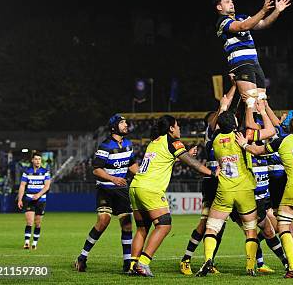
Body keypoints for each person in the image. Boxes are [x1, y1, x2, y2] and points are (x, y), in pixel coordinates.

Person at [195, 102, 276, 277]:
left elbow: (216, 125)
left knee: (212, 228)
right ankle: (250, 266)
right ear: (234, 122)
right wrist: (254, 108)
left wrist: (223, 108)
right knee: (251, 230)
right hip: (245, 189)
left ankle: (208, 259)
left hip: (224, 189)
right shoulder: (242, 136)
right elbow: (270, 131)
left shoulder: (214, 141)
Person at [130, 115, 216, 277]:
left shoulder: (154, 142)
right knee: (164, 225)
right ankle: (143, 263)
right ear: (171, 128)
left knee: (142, 228)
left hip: (136, 186)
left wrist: (185, 154)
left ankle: (132, 264)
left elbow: (164, 160)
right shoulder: (173, 142)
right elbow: (193, 164)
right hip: (150, 188)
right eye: (177, 126)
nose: (179, 129)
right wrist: (212, 173)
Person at [237, 115, 293, 278]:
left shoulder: (283, 140)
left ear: (289, 128)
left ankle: (292, 267)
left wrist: (244, 144)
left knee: (283, 225)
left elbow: (258, 151)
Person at [180, 83, 237, 275]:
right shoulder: (211, 133)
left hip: (228, 183)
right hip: (212, 182)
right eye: (215, 117)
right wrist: (235, 86)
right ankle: (186, 259)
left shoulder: (228, 134)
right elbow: (223, 108)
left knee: (219, 226)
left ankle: (209, 261)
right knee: (205, 222)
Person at [75, 115, 138, 273]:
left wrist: (145, 176)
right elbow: (96, 169)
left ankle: (127, 263)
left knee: (127, 225)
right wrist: (113, 179)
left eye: (125, 122)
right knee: (103, 222)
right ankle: (82, 257)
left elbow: (132, 166)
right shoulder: (105, 146)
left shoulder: (129, 144)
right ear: (114, 128)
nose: (126, 125)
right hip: (105, 189)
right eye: (122, 123)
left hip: (121, 190)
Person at [214, 0, 291, 104]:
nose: (231, 3)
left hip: (255, 64)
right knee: (251, 104)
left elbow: (264, 23)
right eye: (227, 2)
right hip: (241, 64)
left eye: (232, 1)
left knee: (261, 104)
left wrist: (277, 10)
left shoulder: (243, 17)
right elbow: (243, 26)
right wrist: (263, 11)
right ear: (219, 7)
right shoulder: (222, 22)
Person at [17, 152, 51, 250]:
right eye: (36, 159)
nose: (38, 161)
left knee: (38, 222)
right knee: (29, 221)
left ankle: (34, 243)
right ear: (32, 160)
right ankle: (27, 242)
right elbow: (22, 186)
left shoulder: (45, 171)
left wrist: (38, 195)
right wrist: (20, 199)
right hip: (29, 199)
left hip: (41, 200)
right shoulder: (27, 172)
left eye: (39, 159)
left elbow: (47, 186)